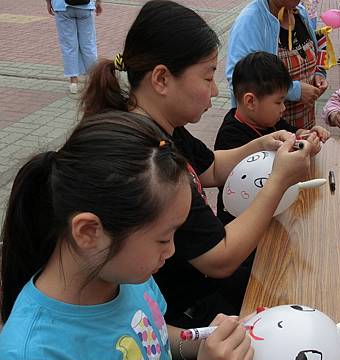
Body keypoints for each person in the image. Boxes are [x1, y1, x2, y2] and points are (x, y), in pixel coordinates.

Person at [0, 111, 253, 360]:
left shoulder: (122, 273)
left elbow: (152, 331)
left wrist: (203, 340)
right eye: (163, 239)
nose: (172, 250)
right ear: (89, 232)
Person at [81, 0, 312, 331]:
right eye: (208, 77)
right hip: (176, 315)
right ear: (161, 78)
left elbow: (212, 168)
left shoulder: (162, 125)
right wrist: (277, 182)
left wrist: (260, 144)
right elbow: (220, 257)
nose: (216, 90)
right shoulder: (149, 158)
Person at [215, 51, 330, 225]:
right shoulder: (231, 136)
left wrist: (308, 135)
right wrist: (302, 152)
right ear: (251, 102)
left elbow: (293, 133)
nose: (283, 108)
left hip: (274, 214)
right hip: (240, 224)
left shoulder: (270, 122)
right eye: (278, 102)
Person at [226, 0, 328, 129]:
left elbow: (315, 52)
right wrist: (295, 90)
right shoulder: (250, 20)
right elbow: (238, 79)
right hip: (269, 133)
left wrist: (319, 73)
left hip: (303, 125)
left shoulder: (300, 12)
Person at [46, 0, 102, 94]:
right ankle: (95, 80)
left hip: (62, 7)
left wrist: (48, 3)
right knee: (88, 45)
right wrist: (98, 2)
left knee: (68, 45)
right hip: (85, 6)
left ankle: (73, 82)